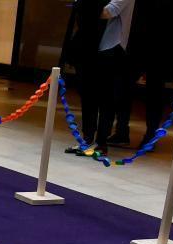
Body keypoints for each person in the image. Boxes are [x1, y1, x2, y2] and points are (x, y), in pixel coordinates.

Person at [109, 0, 173, 148]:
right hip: (146, 45)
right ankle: (130, 132)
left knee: (148, 91)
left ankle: (138, 133)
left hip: (155, 46)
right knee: (134, 89)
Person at [61, 0, 108, 154]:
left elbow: (90, 17)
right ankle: (90, 138)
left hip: (93, 48)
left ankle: (94, 140)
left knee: (92, 96)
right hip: (89, 47)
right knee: (89, 96)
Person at [90, 0, 135, 155]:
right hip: (103, 46)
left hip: (113, 48)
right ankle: (91, 138)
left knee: (106, 99)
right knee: (97, 96)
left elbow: (109, 11)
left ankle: (101, 141)